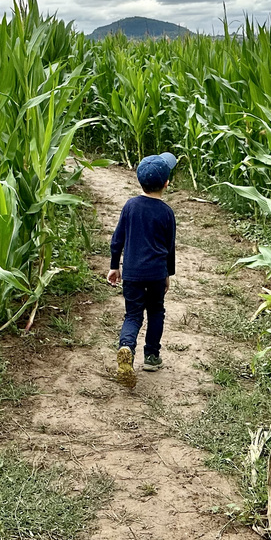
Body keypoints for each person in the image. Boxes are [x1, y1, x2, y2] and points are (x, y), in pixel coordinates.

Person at [107, 151, 177, 388]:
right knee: (156, 311)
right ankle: (151, 356)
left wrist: (114, 266)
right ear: (166, 184)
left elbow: (117, 239)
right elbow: (169, 248)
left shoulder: (130, 207)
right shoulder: (167, 212)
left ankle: (126, 347)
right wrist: (168, 274)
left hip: (133, 273)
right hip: (157, 273)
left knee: (133, 315)